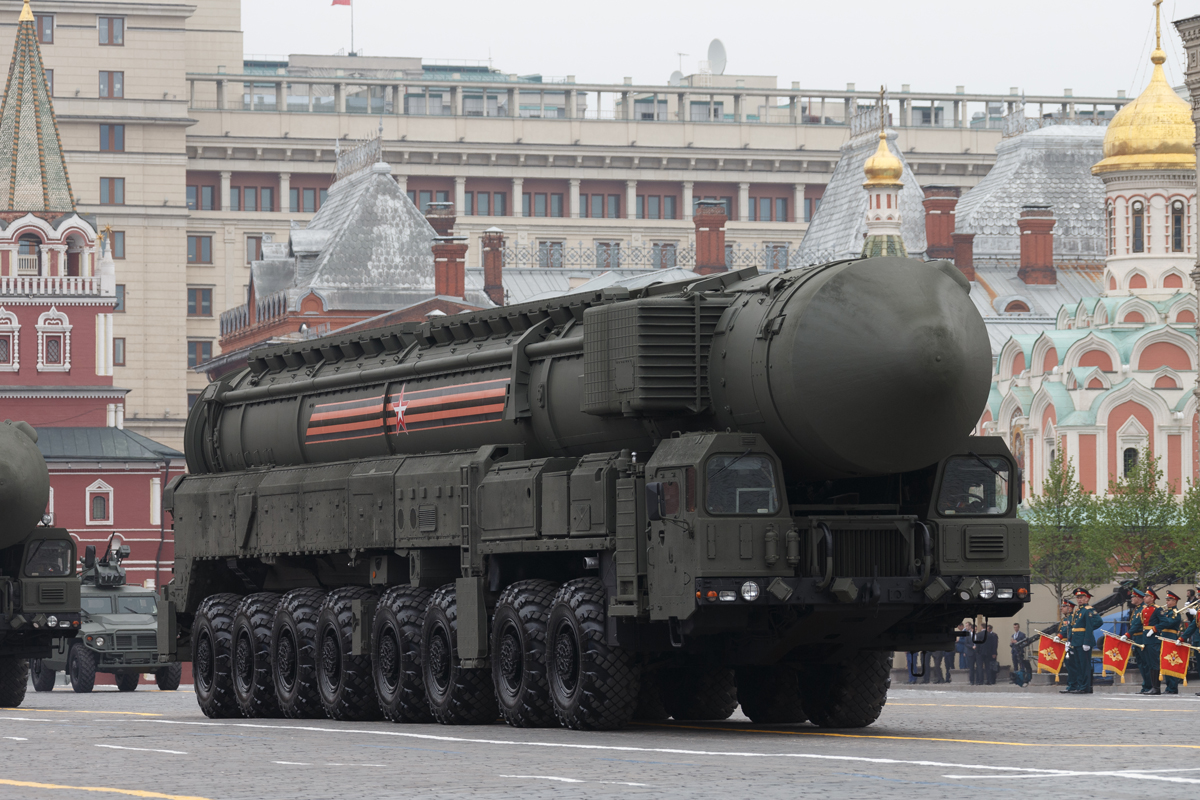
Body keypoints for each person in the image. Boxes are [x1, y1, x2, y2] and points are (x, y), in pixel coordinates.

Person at [1062, 588, 1103, 694]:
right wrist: (1069, 641)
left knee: (1084, 665)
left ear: (1086, 599)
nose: (1079, 600)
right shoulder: (1078, 611)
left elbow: (1090, 626)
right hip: (1076, 641)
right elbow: (1073, 627)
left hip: (1083, 641)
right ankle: (1080, 685)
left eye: (1081, 598)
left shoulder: (1088, 610)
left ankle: (1085, 686)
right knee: (1078, 665)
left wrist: (1087, 640)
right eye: (1078, 598)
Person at [1149, 590, 1184, 695]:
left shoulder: (1175, 612)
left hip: (1170, 637)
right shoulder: (1167, 612)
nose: (1167, 602)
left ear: (1175, 601)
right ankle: (1169, 687)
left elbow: (1168, 623)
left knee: (1171, 662)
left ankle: (1172, 687)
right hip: (1164, 637)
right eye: (1167, 600)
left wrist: (1160, 621)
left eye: (1169, 600)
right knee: (1165, 662)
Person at [1127, 588, 1151, 694]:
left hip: (1142, 638)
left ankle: (1149, 685)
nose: (1131, 599)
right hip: (1136, 638)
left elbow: (1137, 624)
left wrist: (1128, 634)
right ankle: (1145, 685)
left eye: (1133, 597)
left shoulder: (1143, 609)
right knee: (1140, 664)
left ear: (1138, 598)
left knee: (1146, 663)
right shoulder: (1137, 609)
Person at [1141, 589, 1163, 695]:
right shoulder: (1144, 609)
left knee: (1154, 663)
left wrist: (1154, 629)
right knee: (1149, 663)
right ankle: (1152, 686)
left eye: (1147, 596)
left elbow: (1165, 622)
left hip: (1153, 639)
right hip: (1146, 638)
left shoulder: (1157, 609)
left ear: (1152, 598)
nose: (1144, 598)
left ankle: (1156, 687)